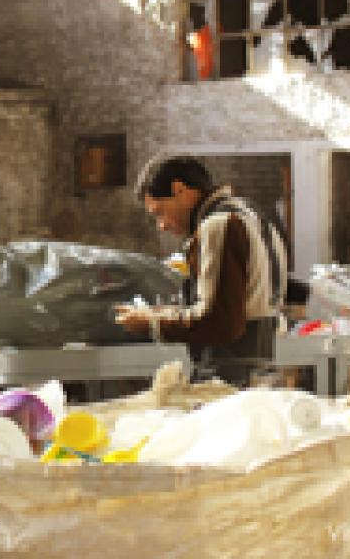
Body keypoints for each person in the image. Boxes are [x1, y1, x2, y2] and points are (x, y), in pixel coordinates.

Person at [115, 156, 288, 386]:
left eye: (160, 212)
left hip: (229, 382)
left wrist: (152, 322)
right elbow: (239, 303)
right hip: (258, 374)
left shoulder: (218, 225)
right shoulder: (256, 218)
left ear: (180, 190)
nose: (162, 225)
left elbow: (220, 321)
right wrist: (164, 312)